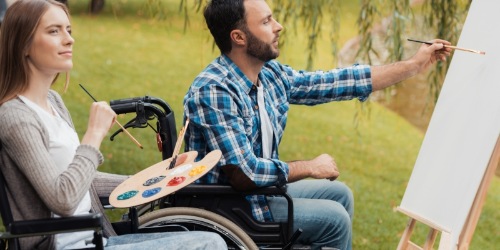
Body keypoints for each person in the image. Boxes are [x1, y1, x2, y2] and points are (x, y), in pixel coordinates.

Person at [182, 0, 452, 249]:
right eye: (266, 22)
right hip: (229, 207)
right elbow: (245, 174)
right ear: (238, 37)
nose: (278, 26)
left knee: (340, 195)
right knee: (334, 220)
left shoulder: (269, 75)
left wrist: (414, 66)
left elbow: (337, 82)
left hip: (257, 194)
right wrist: (309, 166)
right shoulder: (214, 91)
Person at [0, 1, 227, 249]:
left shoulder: (52, 101)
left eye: (69, 30)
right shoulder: (15, 116)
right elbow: (63, 198)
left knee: (208, 236)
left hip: (97, 239)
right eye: (54, 31)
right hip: (67, 246)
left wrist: (156, 179)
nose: (69, 40)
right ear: (23, 44)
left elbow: (81, 179)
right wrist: (94, 134)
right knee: (209, 243)